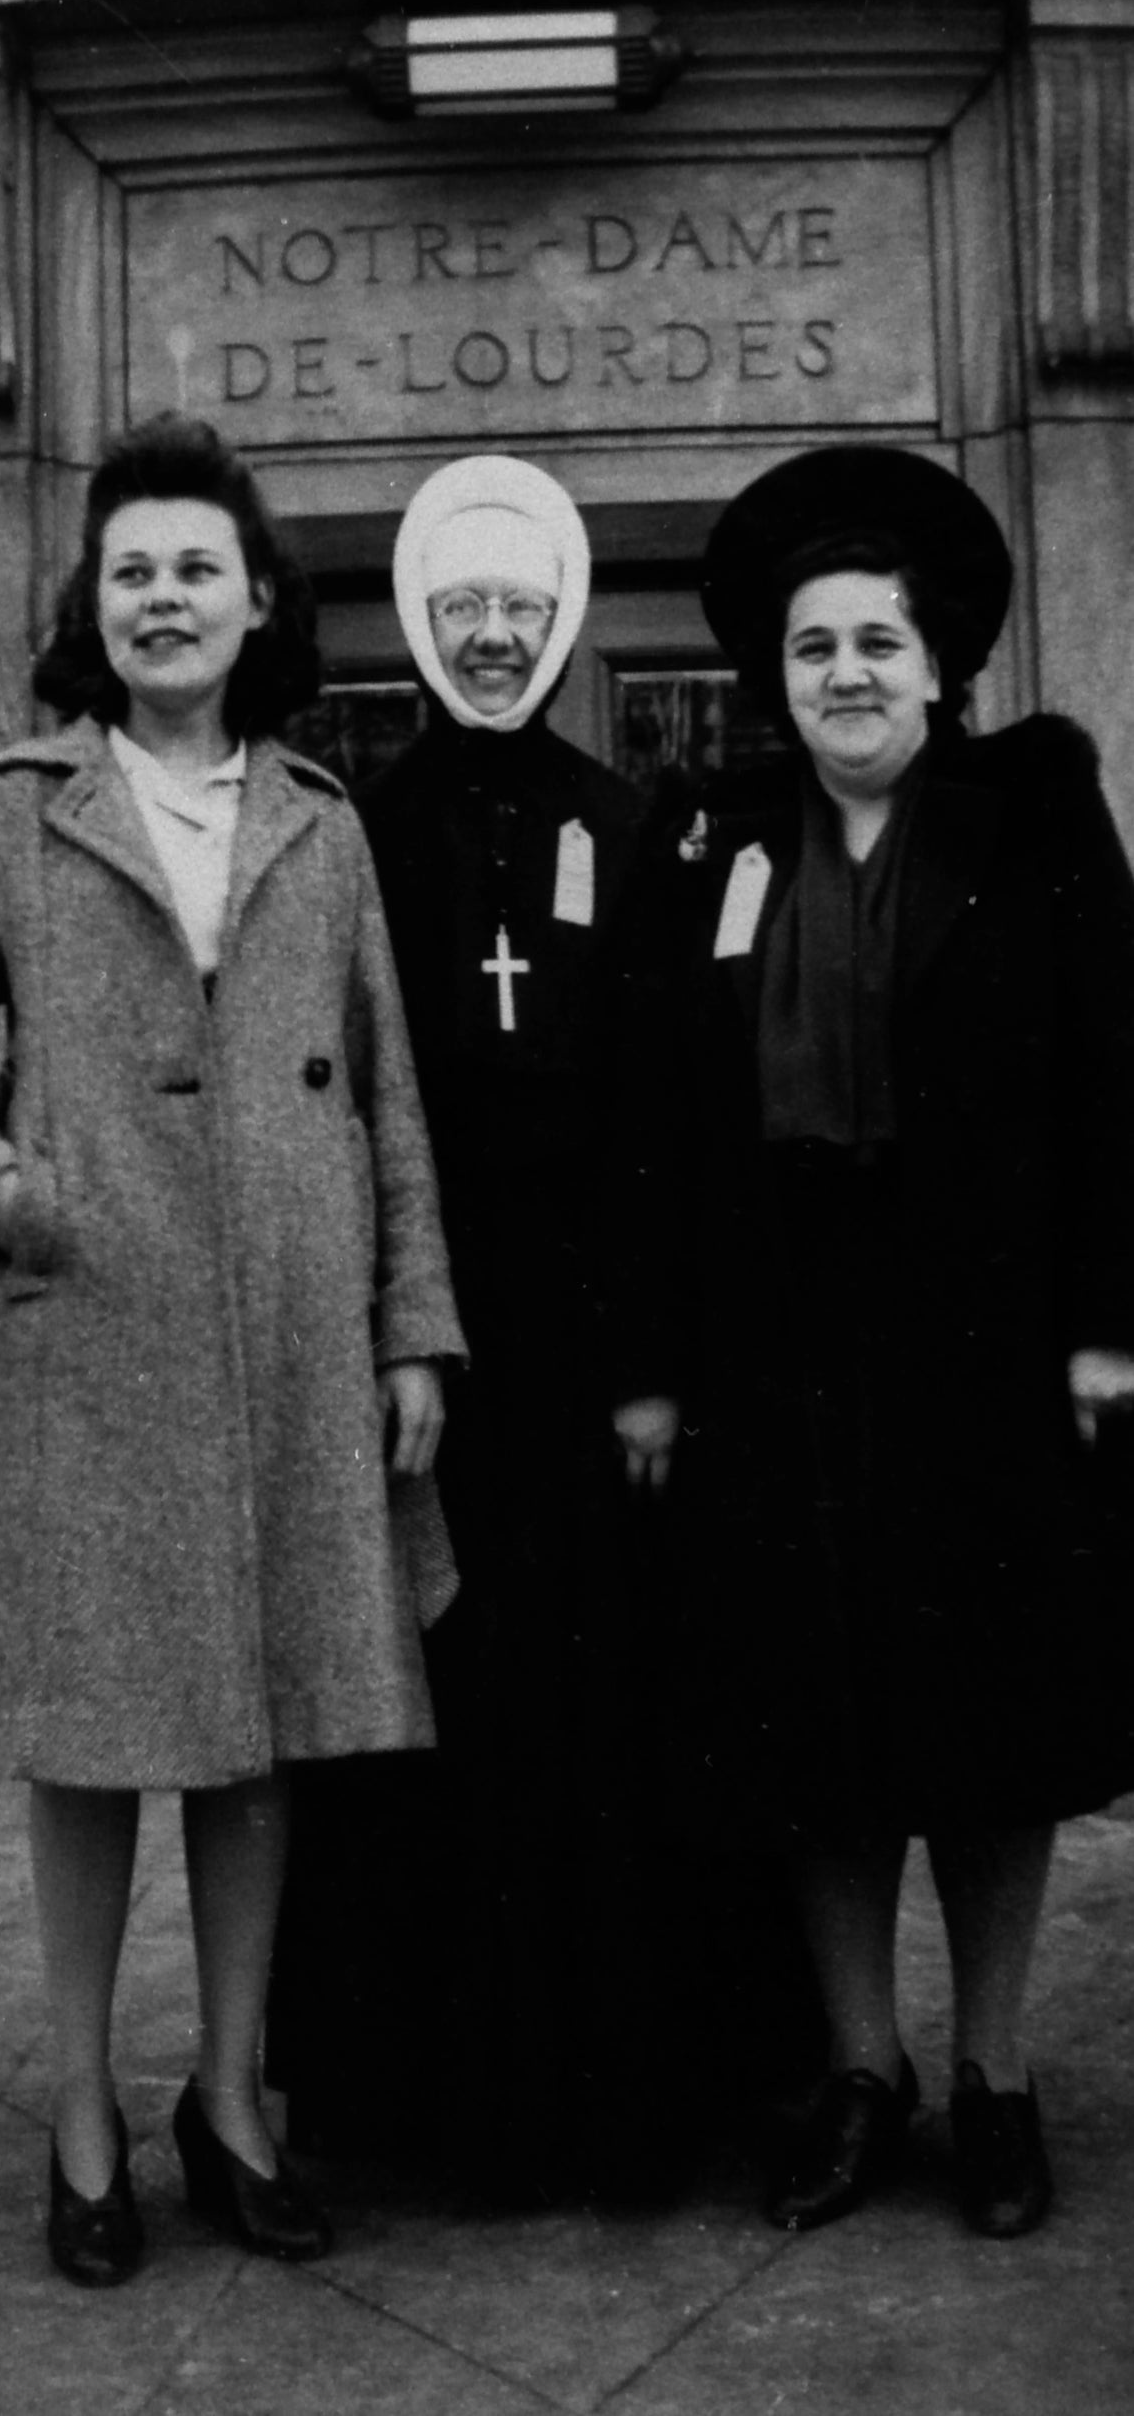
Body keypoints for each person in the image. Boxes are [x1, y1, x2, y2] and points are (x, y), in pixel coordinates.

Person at [0, 415, 465, 2287]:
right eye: (131, 570)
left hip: (288, 1342)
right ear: (92, 607)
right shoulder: (9, 804)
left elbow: (385, 1097)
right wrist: (4, 1194)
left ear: (259, 600)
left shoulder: (322, 819)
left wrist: (410, 1324)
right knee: (94, 1745)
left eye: (197, 565)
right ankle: (81, 2119)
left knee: (259, 1734)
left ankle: (230, 2101)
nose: (162, 596)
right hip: (87, 1337)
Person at [270, 454, 819, 2199]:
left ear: (561, 619)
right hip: (425, 1349)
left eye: (518, 610)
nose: (492, 638)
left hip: (589, 1359)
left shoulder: (631, 820)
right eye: (460, 612)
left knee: (605, 1716)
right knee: (422, 1710)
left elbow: (670, 1111)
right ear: (419, 628)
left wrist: (655, 1365)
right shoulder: (351, 829)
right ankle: (423, 2112)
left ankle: (622, 2106)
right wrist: (372, 1326)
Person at [609, 444, 1134, 2241]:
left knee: (989, 1722)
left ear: (938, 667)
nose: (843, 673)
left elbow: (1111, 1083)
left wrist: (1104, 1329)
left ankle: (989, 2070)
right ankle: (861, 2063)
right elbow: (669, 1124)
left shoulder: (1035, 815)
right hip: (779, 1350)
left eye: (875, 645)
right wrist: (659, 1363)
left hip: (981, 1344)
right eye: (813, 647)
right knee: (808, 1727)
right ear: (778, 675)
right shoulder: (721, 840)